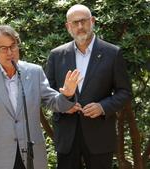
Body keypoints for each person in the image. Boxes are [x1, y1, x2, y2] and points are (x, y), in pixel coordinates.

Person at [0, 25, 81, 169]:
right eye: (4, 48)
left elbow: (53, 102)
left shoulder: (34, 72)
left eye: (13, 46)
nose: (10, 52)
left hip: (32, 154)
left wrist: (67, 95)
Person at [45, 4, 132, 169]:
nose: (80, 27)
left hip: (99, 134)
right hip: (67, 135)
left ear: (92, 21)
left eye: (83, 21)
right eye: (75, 23)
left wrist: (102, 106)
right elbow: (47, 93)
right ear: (67, 26)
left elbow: (125, 92)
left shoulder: (112, 53)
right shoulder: (56, 55)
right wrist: (63, 105)